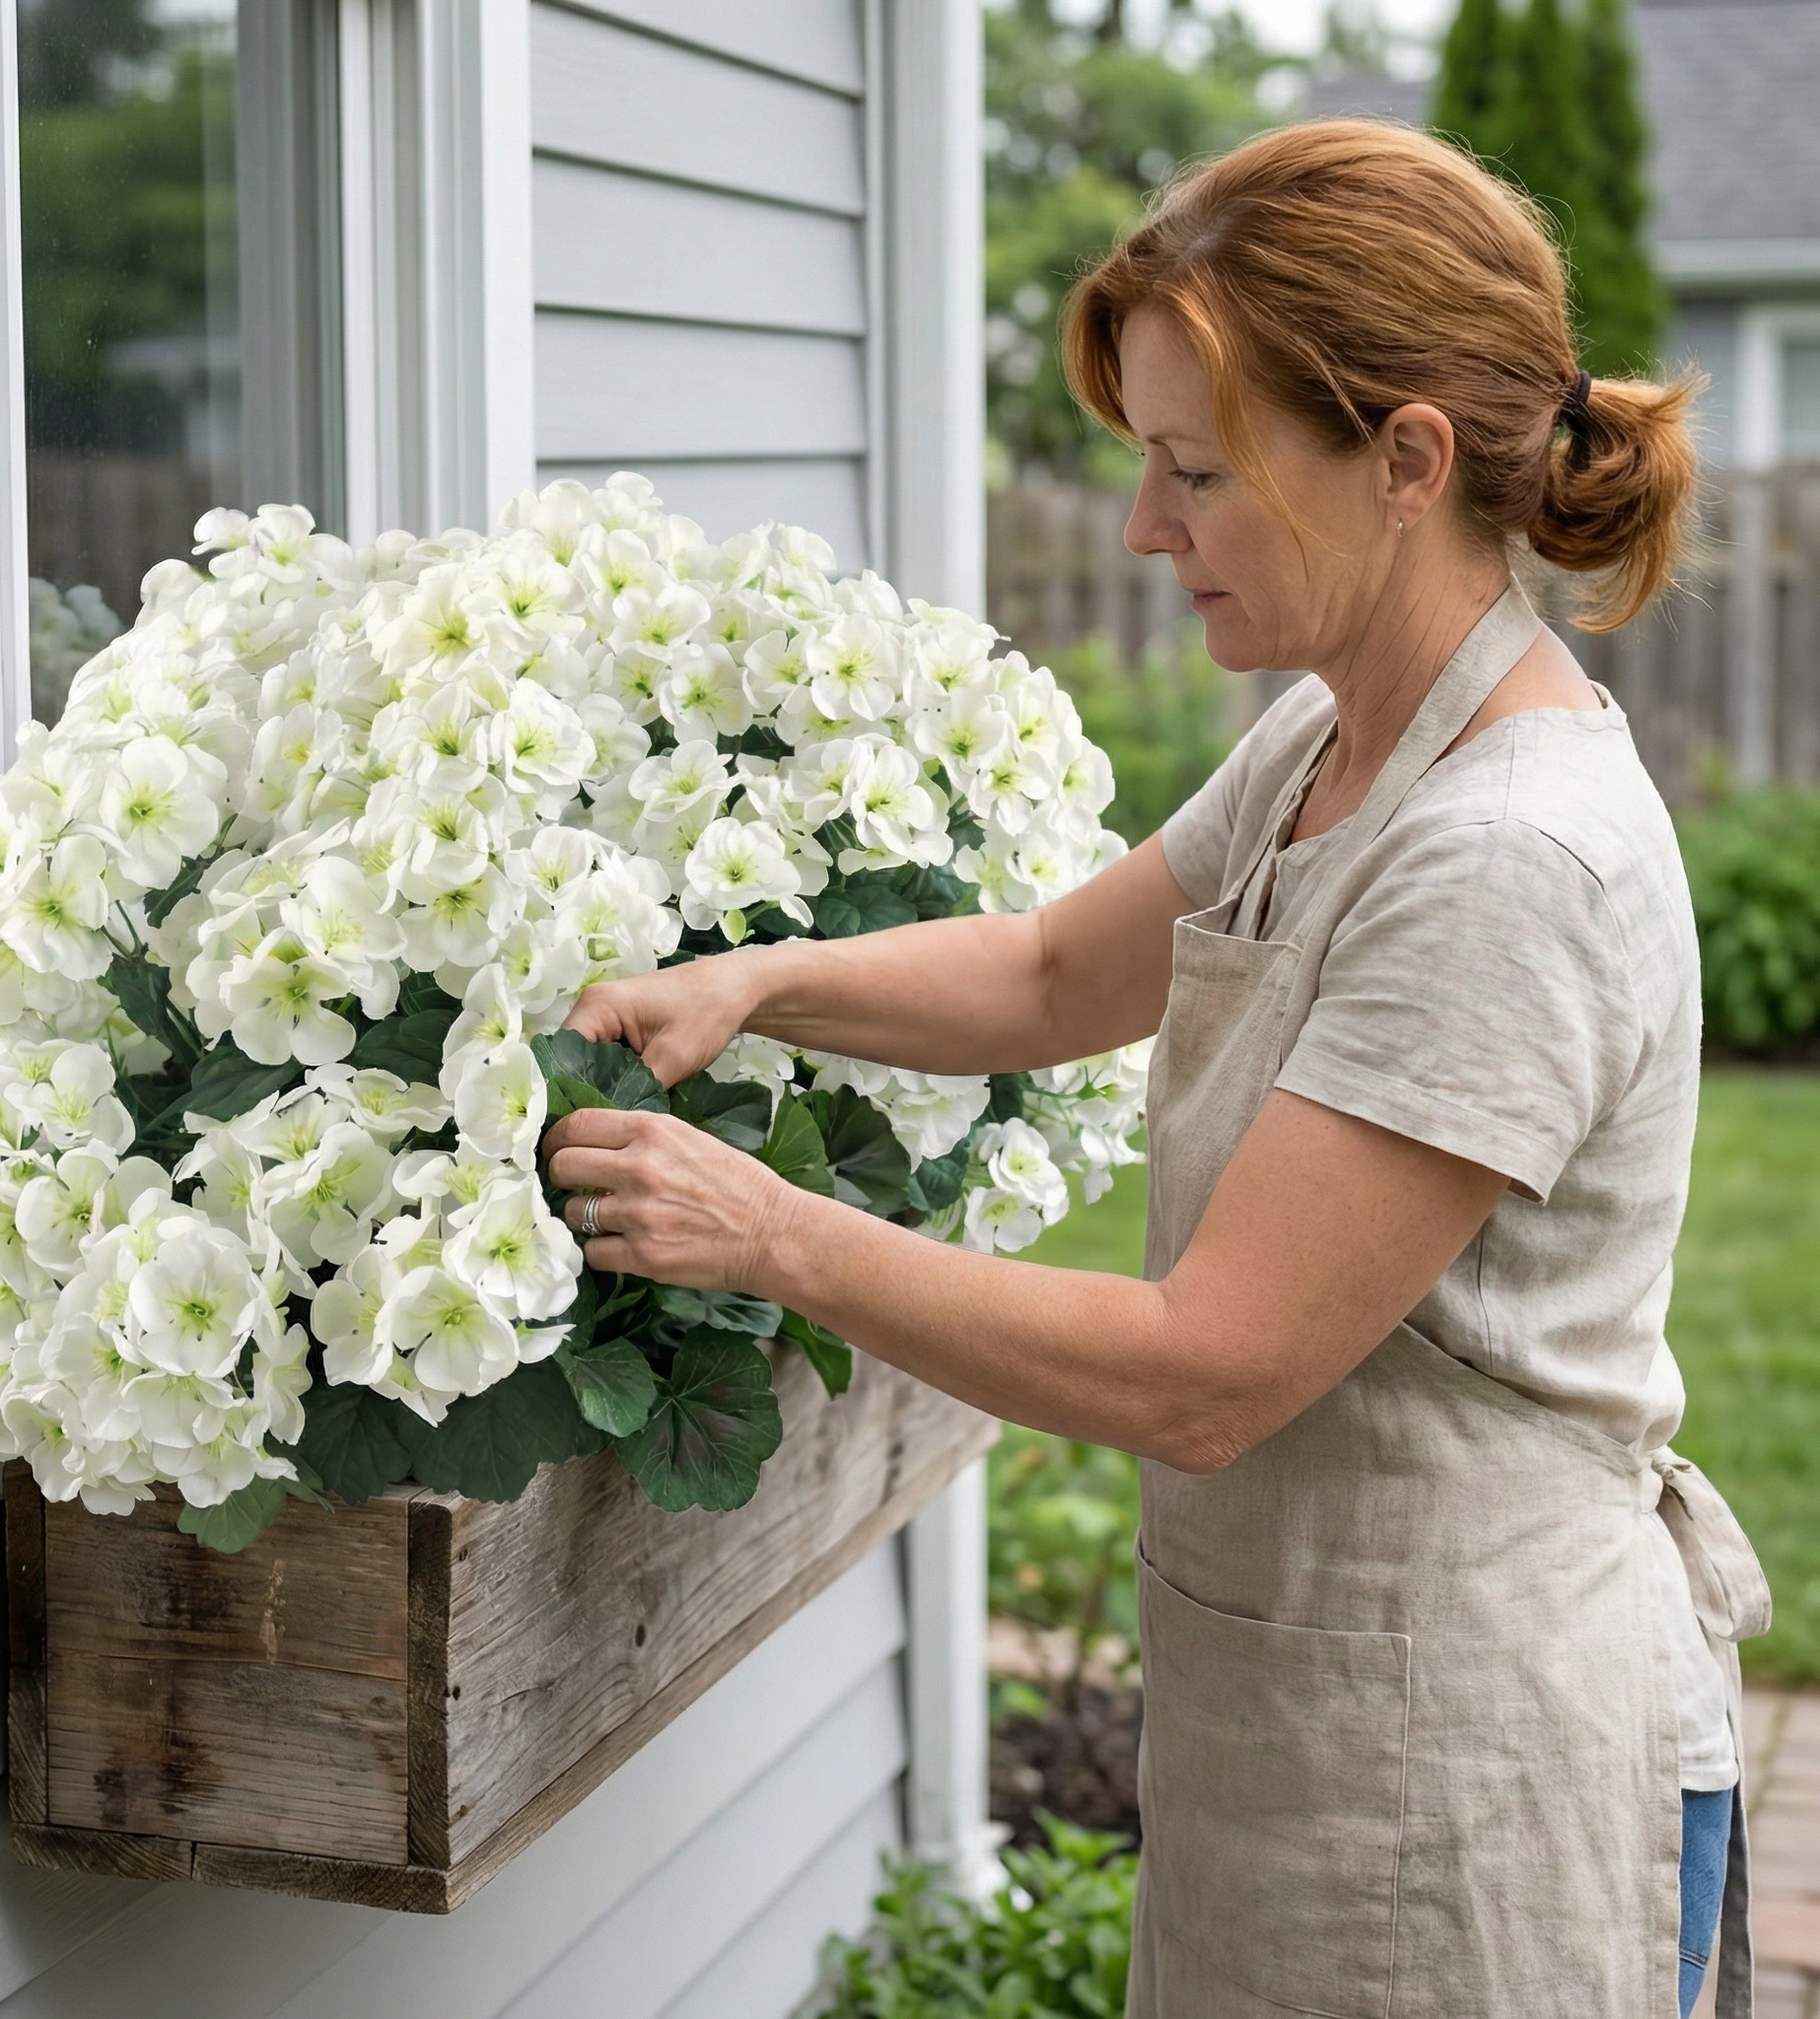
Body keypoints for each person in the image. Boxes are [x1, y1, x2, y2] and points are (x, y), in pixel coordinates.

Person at [541, 121, 1769, 2018]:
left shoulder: (1510, 859)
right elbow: (1044, 973)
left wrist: (771, 1235)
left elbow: (1212, 1371)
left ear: (1407, 459)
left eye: (1193, 468)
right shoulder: (1328, 751)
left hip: (1477, 1782)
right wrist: (756, 981)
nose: (1145, 527)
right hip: (1305, 1717)